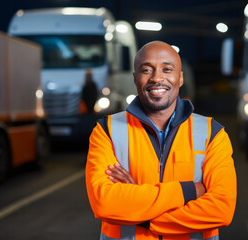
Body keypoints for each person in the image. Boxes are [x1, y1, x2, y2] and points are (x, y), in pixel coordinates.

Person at [85, 41, 237, 240]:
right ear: (135, 78)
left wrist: (144, 217)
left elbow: (222, 210)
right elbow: (105, 203)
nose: (157, 78)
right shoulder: (106, 131)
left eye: (167, 69)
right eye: (146, 70)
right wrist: (190, 190)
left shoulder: (212, 134)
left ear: (180, 78)